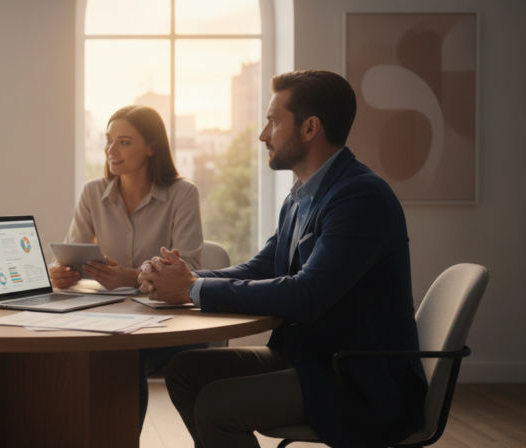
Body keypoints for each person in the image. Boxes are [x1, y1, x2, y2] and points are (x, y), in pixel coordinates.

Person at [137, 70, 427, 448]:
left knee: (216, 407)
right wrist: (177, 278)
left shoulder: (359, 198)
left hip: (355, 378)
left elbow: (307, 296)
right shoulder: (300, 196)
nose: (262, 134)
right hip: (308, 358)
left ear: (310, 128)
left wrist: (192, 287)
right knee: (185, 371)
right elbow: (261, 268)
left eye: (273, 121)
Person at [47, 105, 205, 430]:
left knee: (122, 359)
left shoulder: (183, 193)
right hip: (114, 315)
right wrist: (61, 272)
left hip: (172, 320)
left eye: (124, 142)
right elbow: (71, 250)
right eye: (109, 140)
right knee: (69, 354)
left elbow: (189, 271)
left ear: (151, 147)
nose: (111, 150)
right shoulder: (93, 192)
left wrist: (130, 276)